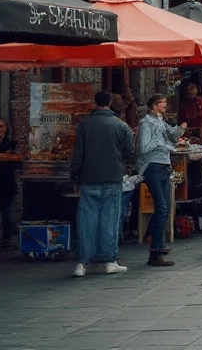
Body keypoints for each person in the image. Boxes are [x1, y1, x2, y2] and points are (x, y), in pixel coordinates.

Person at [70, 91, 135, 278]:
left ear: (95, 102)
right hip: (112, 178)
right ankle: (108, 260)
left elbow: (78, 153)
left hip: (88, 179)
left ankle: (82, 262)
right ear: (110, 104)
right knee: (110, 220)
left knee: (86, 221)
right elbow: (129, 152)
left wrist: (74, 175)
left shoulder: (84, 125)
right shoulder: (121, 126)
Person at [136, 94, 186, 266]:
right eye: (162, 103)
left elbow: (171, 138)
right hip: (152, 166)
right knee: (162, 208)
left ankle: (152, 237)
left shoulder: (160, 121)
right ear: (154, 105)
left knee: (165, 207)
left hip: (164, 165)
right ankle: (156, 250)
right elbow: (143, 147)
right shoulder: (146, 123)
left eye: (165, 102)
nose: (165, 105)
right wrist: (161, 145)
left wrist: (179, 131)